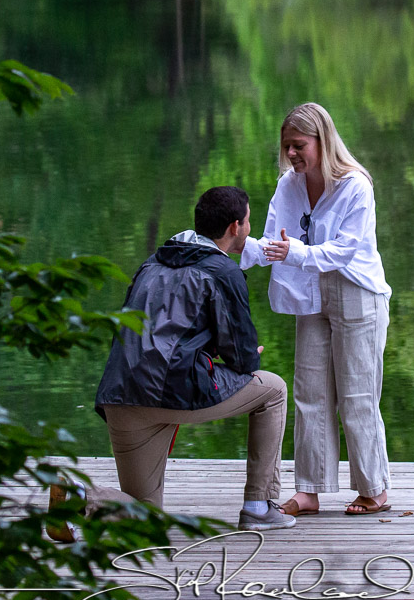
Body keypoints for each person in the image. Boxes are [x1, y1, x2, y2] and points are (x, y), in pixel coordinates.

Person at [48, 186, 295, 542]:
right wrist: (248, 353)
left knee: (145, 515)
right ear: (234, 227)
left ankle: (81, 498)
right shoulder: (223, 272)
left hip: (121, 396)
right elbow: (241, 360)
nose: (249, 228)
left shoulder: (151, 263)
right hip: (171, 392)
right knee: (273, 390)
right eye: (248, 221)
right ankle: (259, 506)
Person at [241, 102, 392, 516]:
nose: (291, 153)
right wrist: (228, 247)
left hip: (356, 292)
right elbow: (274, 243)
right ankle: (309, 490)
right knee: (309, 392)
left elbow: (344, 251)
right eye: (286, 146)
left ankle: (374, 489)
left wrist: (294, 253)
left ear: (322, 141)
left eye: (298, 145)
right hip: (309, 292)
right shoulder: (288, 185)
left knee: (358, 395)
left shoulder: (356, 186)